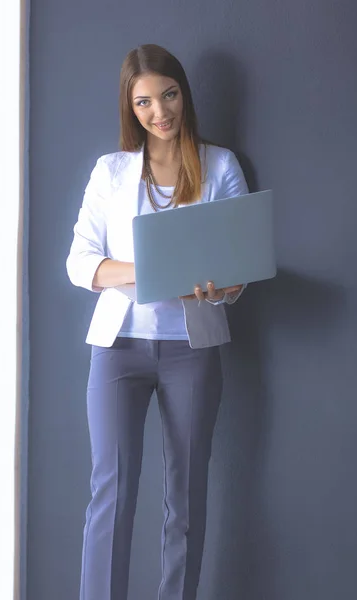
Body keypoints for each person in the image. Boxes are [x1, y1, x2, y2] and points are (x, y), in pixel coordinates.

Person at [66, 44, 249, 600]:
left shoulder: (220, 166)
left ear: (183, 92)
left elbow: (241, 266)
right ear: (131, 107)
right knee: (112, 492)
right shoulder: (111, 170)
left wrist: (224, 285)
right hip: (119, 346)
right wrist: (150, 270)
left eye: (167, 95)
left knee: (186, 496)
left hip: (191, 349)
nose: (159, 112)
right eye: (143, 101)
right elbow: (80, 262)